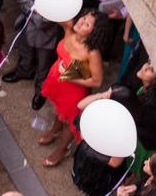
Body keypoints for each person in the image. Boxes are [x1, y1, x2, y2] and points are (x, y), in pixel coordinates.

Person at [3, 0, 74, 112]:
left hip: (46, 36)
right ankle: (24, 71)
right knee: (25, 51)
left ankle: (40, 90)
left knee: (44, 66)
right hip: (27, 25)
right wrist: (34, 8)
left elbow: (44, 21)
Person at [38, 10, 111, 167]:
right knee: (58, 110)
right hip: (57, 80)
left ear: (94, 32)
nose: (81, 21)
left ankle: (62, 150)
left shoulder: (92, 53)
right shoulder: (69, 30)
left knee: (70, 124)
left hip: (74, 91)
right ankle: (54, 131)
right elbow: (54, 12)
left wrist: (72, 77)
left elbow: (97, 82)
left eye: (87, 23)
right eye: (83, 18)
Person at [69, 90, 132, 196]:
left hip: (104, 172)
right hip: (90, 165)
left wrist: (90, 147)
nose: (106, 95)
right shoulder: (103, 112)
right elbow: (81, 106)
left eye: (110, 94)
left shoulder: (123, 130)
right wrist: (101, 96)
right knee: (91, 193)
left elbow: (115, 162)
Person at [125, 61, 156, 179]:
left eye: (151, 70)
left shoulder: (155, 103)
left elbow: (150, 130)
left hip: (144, 146)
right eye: (149, 63)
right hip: (137, 138)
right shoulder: (145, 89)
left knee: (137, 173)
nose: (146, 67)